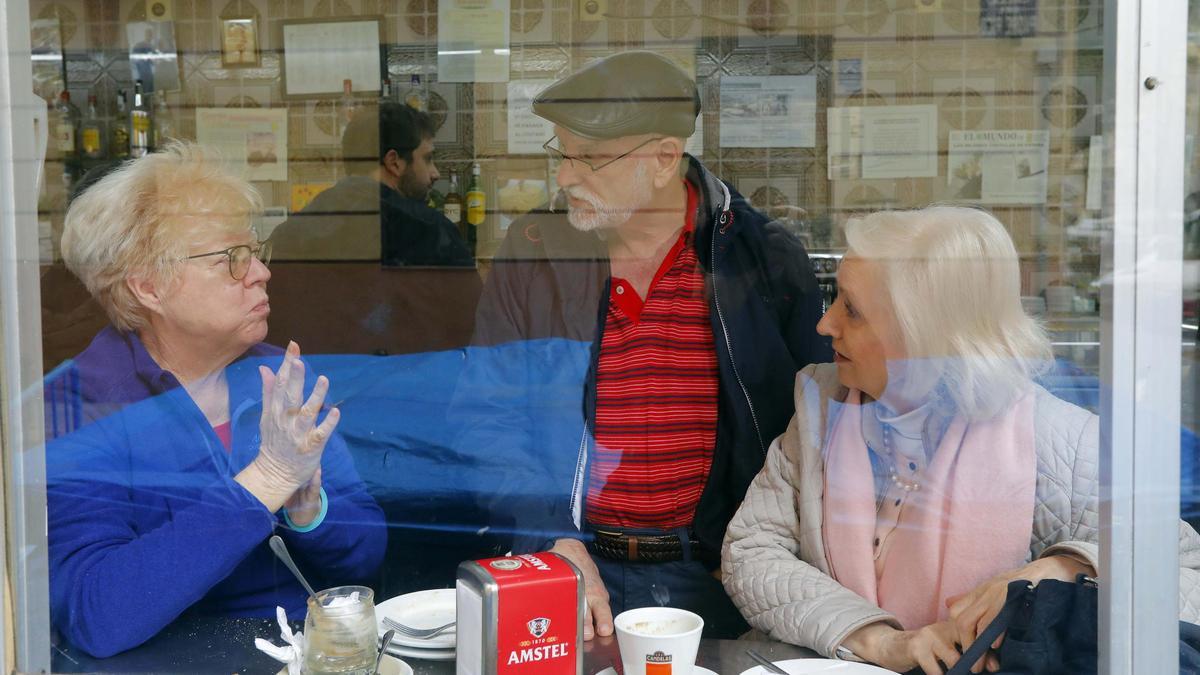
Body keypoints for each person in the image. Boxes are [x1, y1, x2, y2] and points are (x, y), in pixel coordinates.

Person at [721, 206, 1200, 674]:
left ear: (925, 334)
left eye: (852, 309)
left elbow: (1187, 579)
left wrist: (1064, 570)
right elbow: (751, 550)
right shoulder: (820, 406)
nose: (825, 325)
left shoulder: (1065, 445)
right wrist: (880, 641)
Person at [463, 50, 830, 639]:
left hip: (719, 573)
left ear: (663, 159)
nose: (564, 176)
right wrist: (550, 537)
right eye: (562, 153)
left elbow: (818, 422)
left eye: (588, 157)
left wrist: (748, 547)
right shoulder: (535, 249)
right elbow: (488, 412)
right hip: (572, 567)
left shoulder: (761, 257)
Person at [43, 141, 387, 658]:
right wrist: (266, 480)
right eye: (232, 258)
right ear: (148, 288)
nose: (261, 272)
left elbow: (365, 559)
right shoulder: (82, 401)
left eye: (255, 252)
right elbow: (96, 615)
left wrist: (307, 508)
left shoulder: (277, 374)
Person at [269, 102, 473, 267]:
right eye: (427, 159)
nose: (435, 173)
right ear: (394, 162)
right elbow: (465, 312)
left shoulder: (288, 233)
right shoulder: (430, 232)